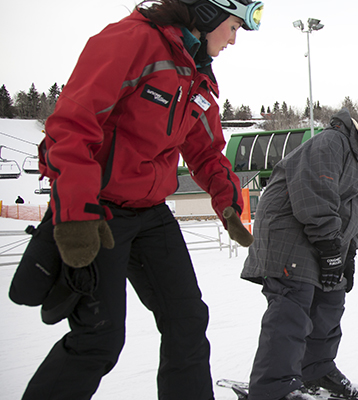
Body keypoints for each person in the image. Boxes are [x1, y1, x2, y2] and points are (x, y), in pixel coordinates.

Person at [15, 0, 260, 398]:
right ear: (209, 12)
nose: (234, 40)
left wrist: (227, 199)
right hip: (100, 212)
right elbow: (72, 126)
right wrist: (76, 214)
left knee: (187, 321)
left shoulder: (195, 73)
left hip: (150, 214)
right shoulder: (131, 42)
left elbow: (205, 151)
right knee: (99, 338)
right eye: (233, 27)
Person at [241, 107, 358, 400]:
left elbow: (353, 217)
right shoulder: (332, 143)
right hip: (290, 233)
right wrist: (331, 248)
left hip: (318, 239)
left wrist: (347, 255)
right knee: (292, 308)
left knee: (331, 300)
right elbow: (314, 194)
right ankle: (273, 388)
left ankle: (315, 369)